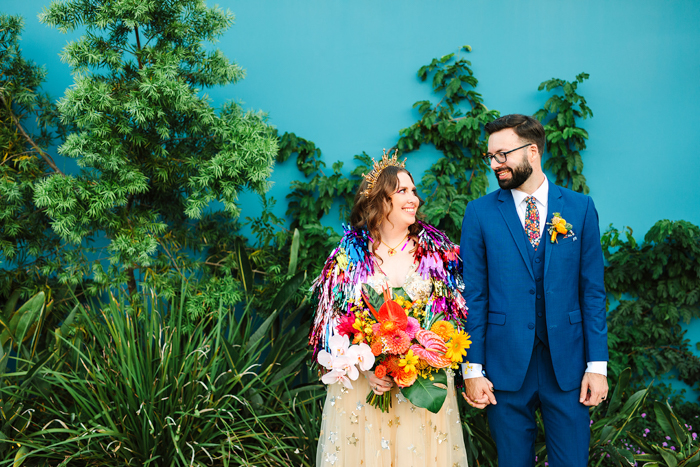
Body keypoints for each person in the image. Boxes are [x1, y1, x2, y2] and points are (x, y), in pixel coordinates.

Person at [459, 114, 609, 466]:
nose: (495, 165)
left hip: (569, 366)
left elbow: (592, 292)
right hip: (504, 367)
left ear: (532, 151)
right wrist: (472, 369)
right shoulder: (479, 214)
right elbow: (474, 296)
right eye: (491, 157)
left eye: (502, 155)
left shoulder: (579, 208)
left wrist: (597, 365)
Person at [309, 151, 469, 467]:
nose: (414, 199)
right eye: (402, 191)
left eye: (414, 191)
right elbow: (331, 323)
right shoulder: (349, 254)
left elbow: (452, 316)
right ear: (381, 200)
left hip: (421, 387)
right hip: (364, 387)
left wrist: (423, 357)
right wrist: (368, 367)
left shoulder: (434, 250)